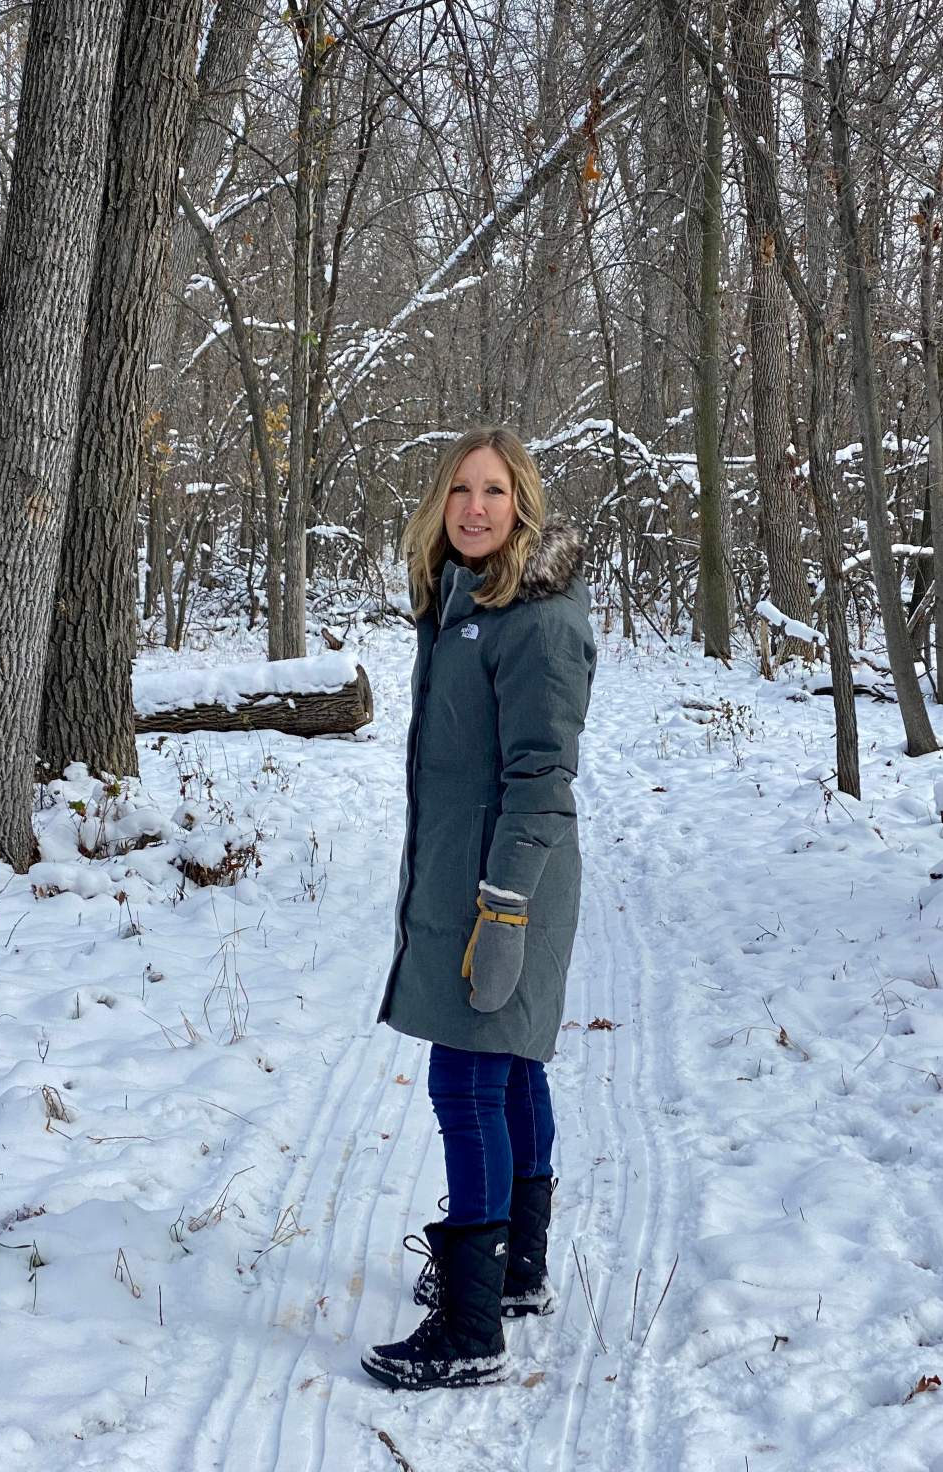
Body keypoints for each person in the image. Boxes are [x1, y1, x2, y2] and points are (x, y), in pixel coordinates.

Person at [362, 425, 596, 1391]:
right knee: (506, 1074)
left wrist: (502, 909)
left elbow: (541, 777)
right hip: (476, 879)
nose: (474, 507)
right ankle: (517, 1274)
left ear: (522, 504)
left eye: (494, 491)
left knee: (465, 1083)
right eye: (460, 489)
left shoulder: (535, 621)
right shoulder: (462, 601)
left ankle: (470, 1325)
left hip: (510, 886)